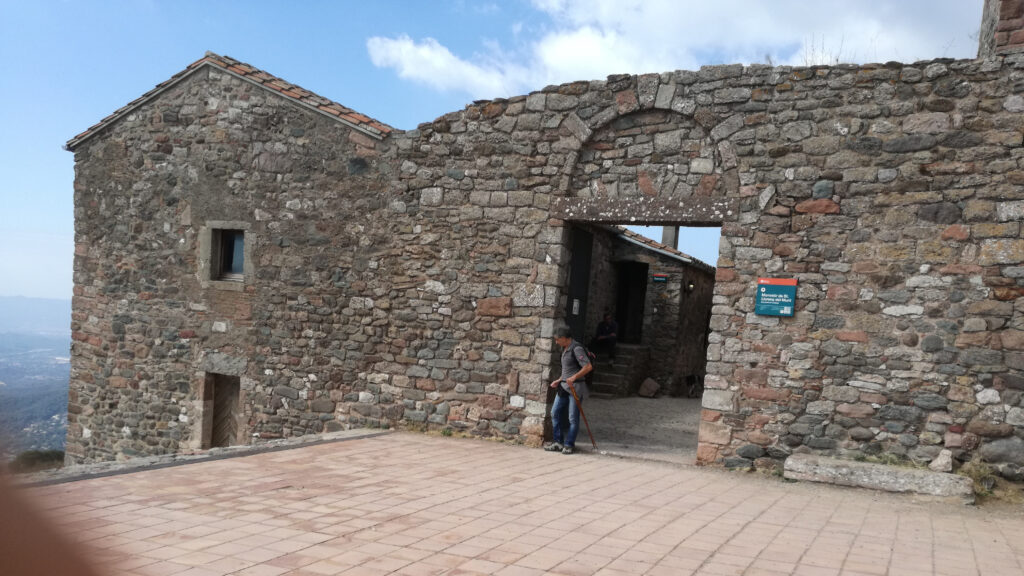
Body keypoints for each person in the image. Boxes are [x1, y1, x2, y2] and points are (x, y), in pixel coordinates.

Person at [545, 325, 592, 455]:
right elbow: (568, 370)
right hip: (564, 387)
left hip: (576, 388)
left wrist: (574, 377)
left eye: (557, 339)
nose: (556, 342)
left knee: (572, 418)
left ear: (565, 338)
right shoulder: (565, 348)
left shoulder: (576, 348)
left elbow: (588, 366)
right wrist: (559, 380)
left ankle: (569, 444)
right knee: (554, 413)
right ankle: (558, 442)